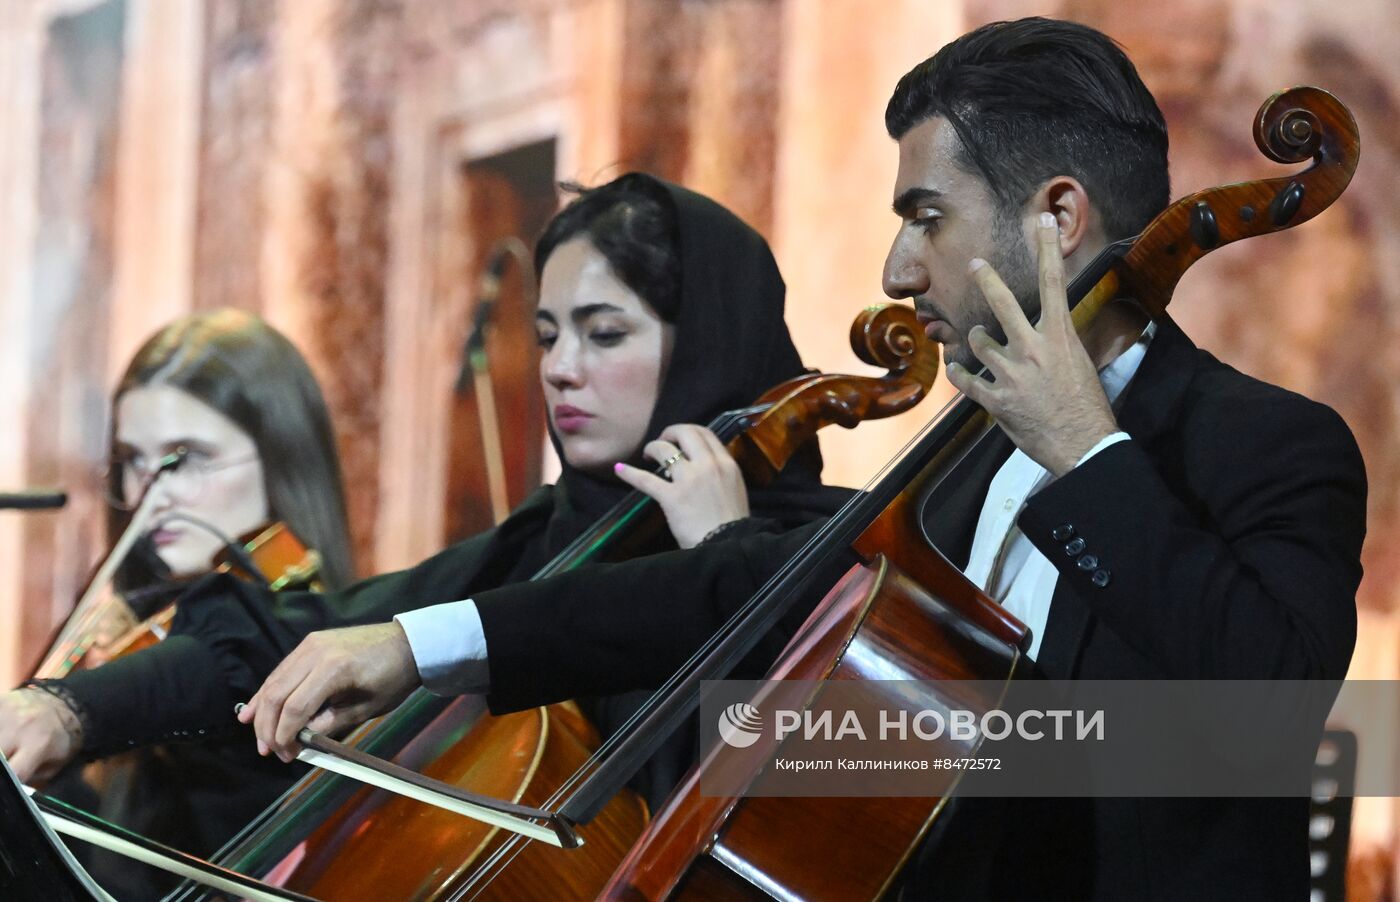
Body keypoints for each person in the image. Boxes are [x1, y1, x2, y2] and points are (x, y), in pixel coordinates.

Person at [238, 18, 1366, 901]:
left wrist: (1085, 455)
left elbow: (1261, 703)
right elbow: (732, 590)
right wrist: (417, 643)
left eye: (924, 215)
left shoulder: (1265, 446)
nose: (893, 268)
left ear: (1055, 217)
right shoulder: (962, 460)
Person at [1, 173, 849, 816]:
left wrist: (721, 556)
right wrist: (70, 709)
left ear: (705, 339)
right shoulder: (543, 544)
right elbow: (288, 638)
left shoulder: (829, 549)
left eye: (605, 332)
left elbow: (872, 764)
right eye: (548, 334)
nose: (558, 367)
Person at [2, 309, 355, 896]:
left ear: (280, 456)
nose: (152, 491)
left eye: (184, 457)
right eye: (134, 460)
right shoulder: (121, 633)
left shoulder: (310, 648)